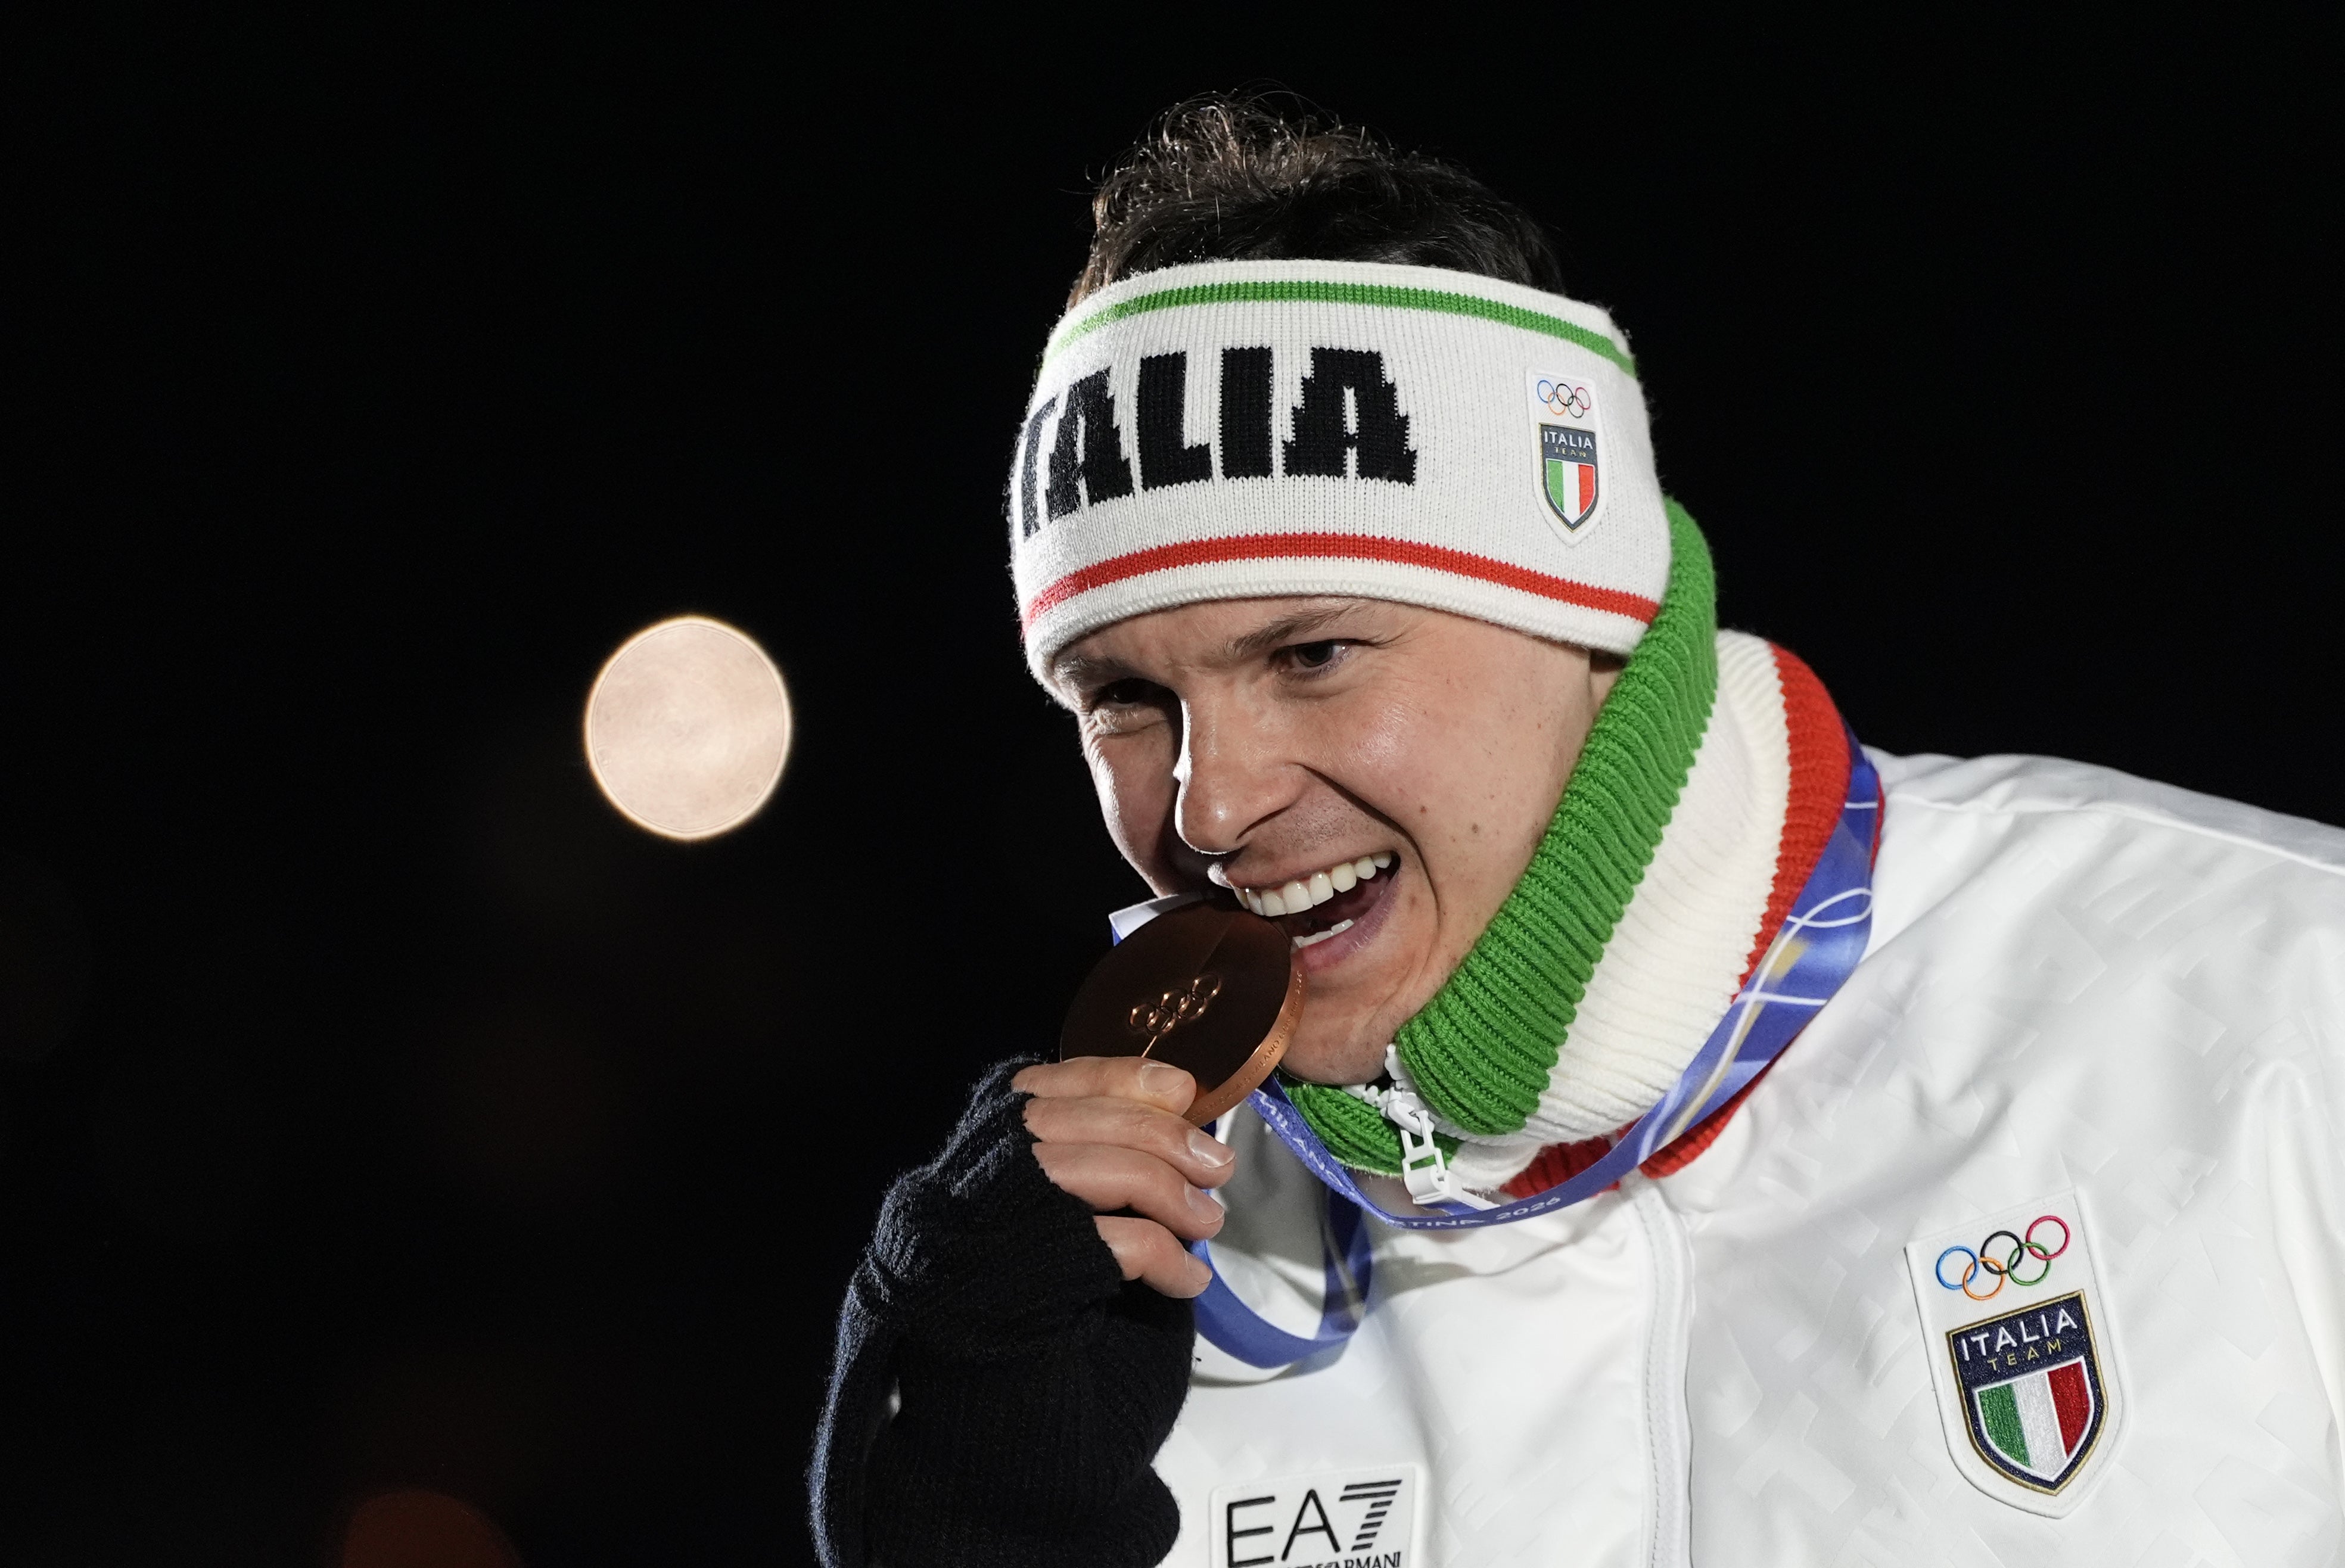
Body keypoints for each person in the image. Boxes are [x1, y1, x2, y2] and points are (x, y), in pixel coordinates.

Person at [810, 97, 2345, 1567]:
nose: (1211, 805)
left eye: (1313, 655)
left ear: (1587, 606)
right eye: (1125, 699)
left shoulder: (2276, 1002)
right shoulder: (1081, 1285)